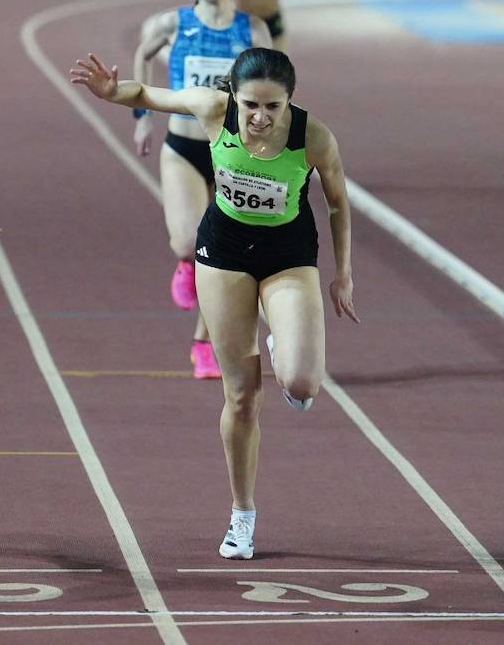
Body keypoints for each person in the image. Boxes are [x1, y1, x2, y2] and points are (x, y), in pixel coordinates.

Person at [71, 47, 359, 560]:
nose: (261, 118)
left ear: (290, 102)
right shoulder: (211, 108)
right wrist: (111, 92)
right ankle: (242, 515)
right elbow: (146, 92)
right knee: (242, 396)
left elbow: (337, 200)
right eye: (251, 105)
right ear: (234, 95)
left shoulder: (314, 137)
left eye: (274, 107)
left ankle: (283, 340)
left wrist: (344, 275)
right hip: (224, 252)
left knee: (301, 383)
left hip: (288, 254)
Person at [132, 0, 271, 379]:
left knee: (224, 258)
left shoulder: (254, 30)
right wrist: (143, 117)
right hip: (185, 149)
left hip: (235, 156)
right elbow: (142, 54)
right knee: (187, 243)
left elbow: (275, 84)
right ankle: (184, 262)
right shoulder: (174, 23)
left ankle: (203, 344)